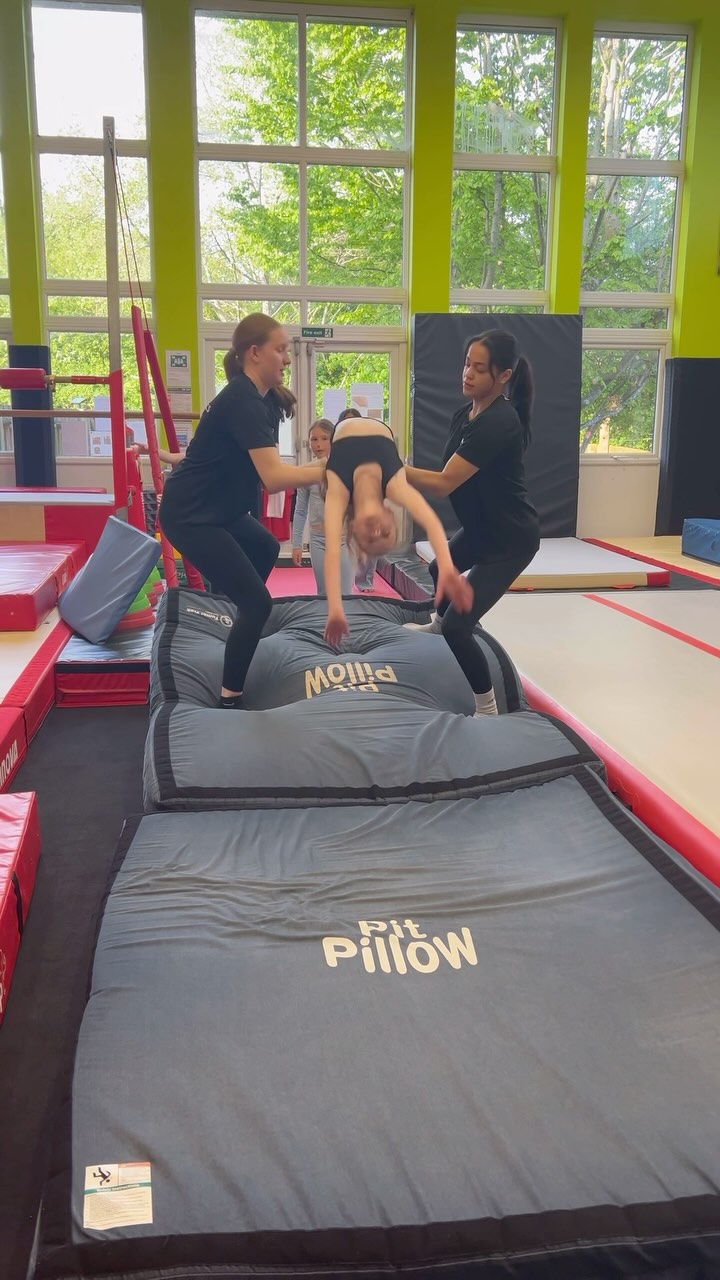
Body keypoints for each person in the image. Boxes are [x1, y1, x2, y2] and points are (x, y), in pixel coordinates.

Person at [158, 314, 325, 709]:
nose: (287, 359)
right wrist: (329, 466)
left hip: (221, 509)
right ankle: (229, 698)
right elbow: (273, 478)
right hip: (192, 516)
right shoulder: (242, 401)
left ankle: (228, 620)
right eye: (280, 350)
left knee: (266, 547)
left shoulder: (258, 400)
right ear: (254, 353)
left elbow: (208, 450)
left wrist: (171, 456)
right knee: (257, 604)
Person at [404, 329, 540, 717]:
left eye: (479, 369)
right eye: (467, 364)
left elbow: (445, 482)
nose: (467, 373)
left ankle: (487, 706)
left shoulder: (499, 422)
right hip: (483, 528)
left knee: (459, 629)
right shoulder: (464, 415)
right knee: (438, 569)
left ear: (504, 375)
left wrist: (390, 467)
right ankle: (438, 623)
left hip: (509, 540)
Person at [322, 416, 473, 647]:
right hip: (381, 429)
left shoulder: (338, 491)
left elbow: (332, 552)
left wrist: (335, 609)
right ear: (390, 516)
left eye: (369, 538)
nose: (376, 531)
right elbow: (431, 522)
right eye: (385, 533)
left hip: (343, 433)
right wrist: (446, 569)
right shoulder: (395, 486)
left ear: (352, 528)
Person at [291, 418, 354, 596]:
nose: (318, 444)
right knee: (323, 592)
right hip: (318, 539)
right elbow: (300, 511)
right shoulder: (306, 472)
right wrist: (297, 544)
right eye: (314, 439)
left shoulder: (347, 469)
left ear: (333, 440)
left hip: (344, 539)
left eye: (324, 438)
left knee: (345, 593)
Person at [335, 407, 377, 592]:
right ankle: (346, 577)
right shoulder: (336, 446)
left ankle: (364, 580)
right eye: (345, 422)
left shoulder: (369, 445)